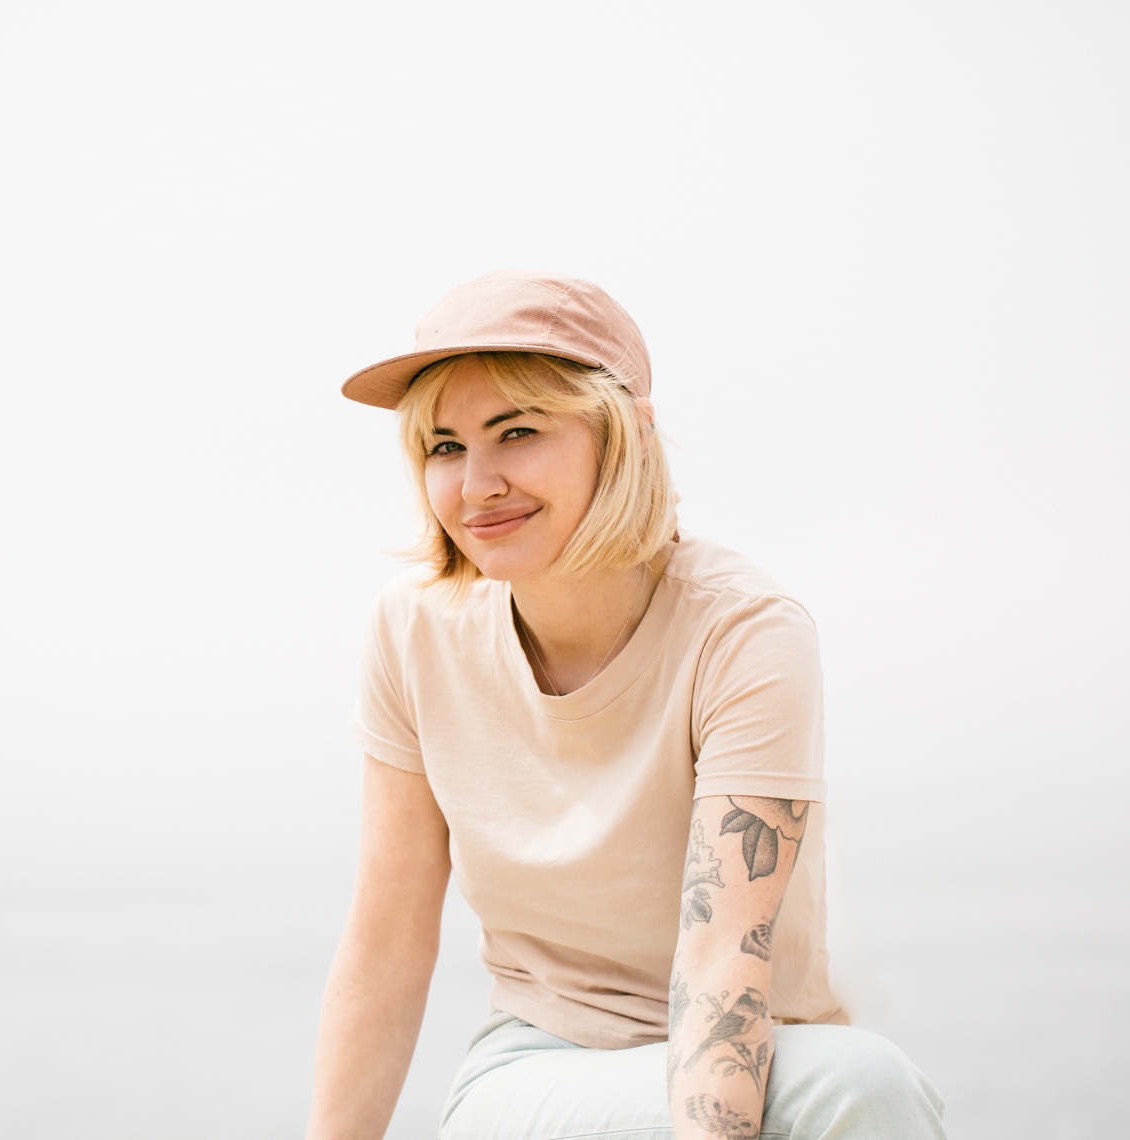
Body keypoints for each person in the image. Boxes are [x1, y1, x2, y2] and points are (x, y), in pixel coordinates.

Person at [306, 271, 946, 1140]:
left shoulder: (743, 633)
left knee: (864, 1083)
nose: (476, 485)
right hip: (537, 1071)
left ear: (628, 436)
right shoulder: (415, 630)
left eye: (518, 433)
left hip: (746, 1047)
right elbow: (384, 947)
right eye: (445, 447)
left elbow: (724, 962)